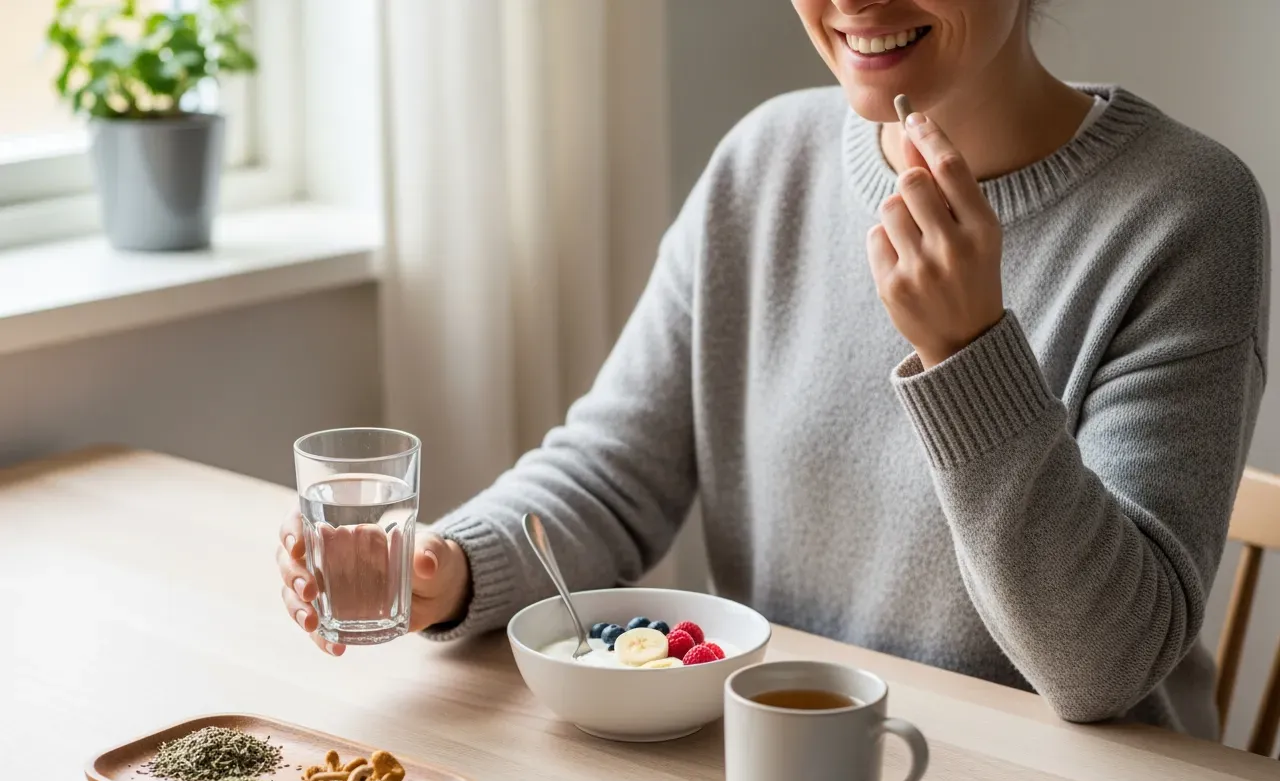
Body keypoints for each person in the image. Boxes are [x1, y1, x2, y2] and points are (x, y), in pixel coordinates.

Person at [276, 0, 1269, 739]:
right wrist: (447, 568)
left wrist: (967, 355)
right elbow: (609, 473)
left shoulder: (1183, 212)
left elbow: (1102, 669)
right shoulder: (764, 162)